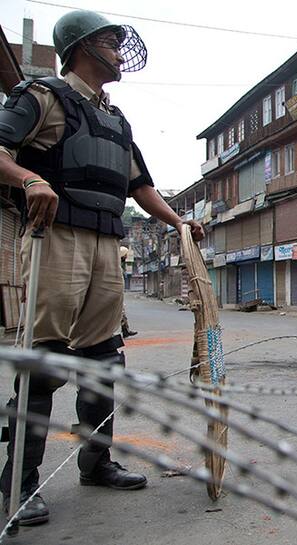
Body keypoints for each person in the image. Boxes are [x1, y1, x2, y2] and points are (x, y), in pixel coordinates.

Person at [0, 10, 204, 526]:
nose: (119, 50)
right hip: (57, 238)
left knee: (104, 359)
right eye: (111, 41)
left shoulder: (116, 120)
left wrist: (179, 223)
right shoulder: (41, 97)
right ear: (82, 47)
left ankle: (97, 463)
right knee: (44, 361)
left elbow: (140, 187)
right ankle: (18, 485)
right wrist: (29, 179)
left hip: (107, 244)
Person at [119, 246, 137, 338]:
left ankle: (125, 330)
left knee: (122, 312)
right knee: (120, 312)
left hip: (118, 293)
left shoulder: (120, 265)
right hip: (115, 293)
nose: (126, 257)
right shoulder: (116, 265)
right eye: (125, 255)